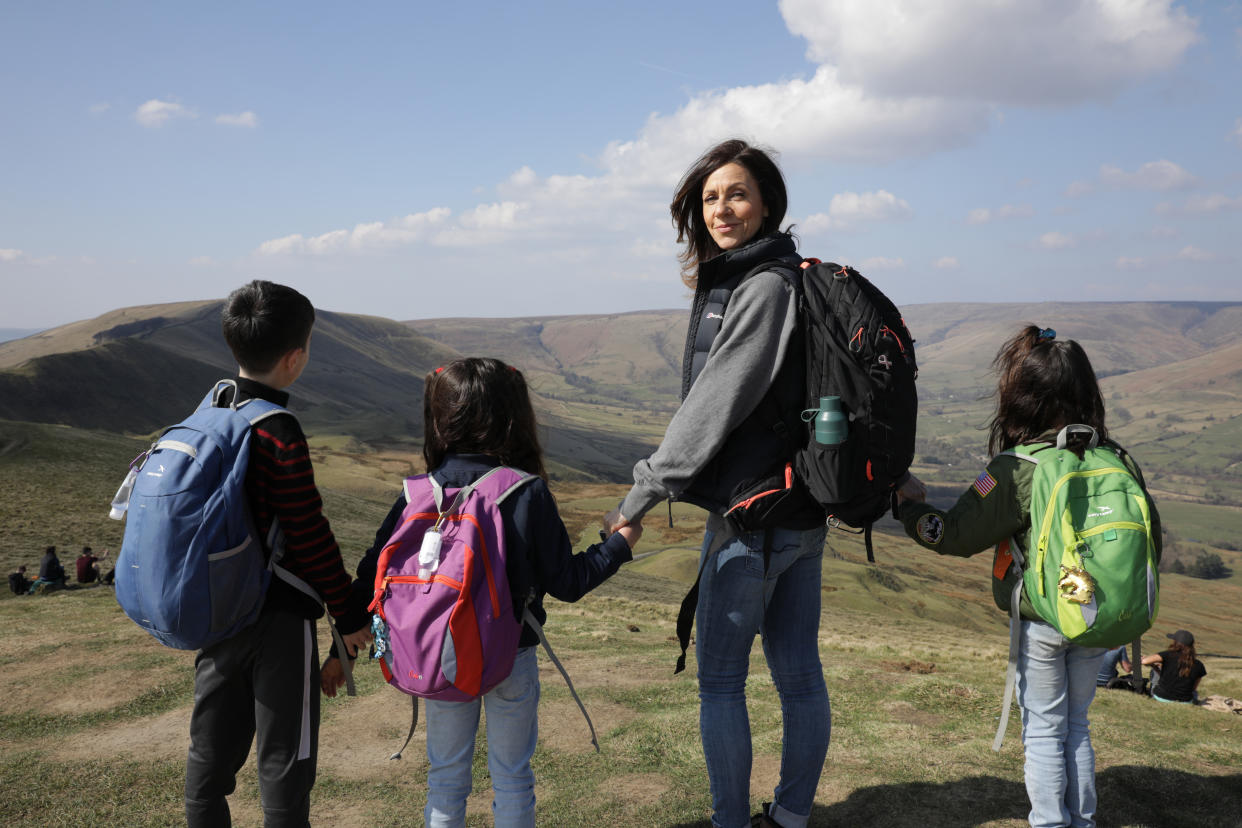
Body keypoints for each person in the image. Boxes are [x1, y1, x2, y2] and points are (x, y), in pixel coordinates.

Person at [603, 139, 834, 828]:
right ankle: (791, 816)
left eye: (736, 194)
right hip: (799, 515)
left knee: (723, 683)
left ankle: (734, 820)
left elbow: (713, 404)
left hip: (750, 519)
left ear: (767, 203)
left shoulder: (762, 287)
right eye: (709, 197)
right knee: (798, 677)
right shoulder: (781, 277)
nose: (722, 208)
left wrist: (639, 498)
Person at [323, 357, 640, 828]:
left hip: (440, 655)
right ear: (512, 416)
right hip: (511, 653)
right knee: (512, 778)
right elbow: (569, 583)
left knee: (446, 780)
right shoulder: (525, 491)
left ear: (440, 417)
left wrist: (338, 650)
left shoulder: (416, 493)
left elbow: (373, 576)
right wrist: (619, 544)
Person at [896, 325, 1160, 828]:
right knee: (1077, 727)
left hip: (1042, 622)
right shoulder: (1119, 460)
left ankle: (1049, 823)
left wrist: (909, 511)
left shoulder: (1016, 468)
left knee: (1043, 730)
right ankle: (1081, 822)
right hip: (1097, 617)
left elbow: (952, 535)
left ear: (1023, 399)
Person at [183, 280, 372, 828]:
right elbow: (308, 533)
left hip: (216, 614)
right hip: (278, 623)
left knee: (209, 755)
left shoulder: (211, 411)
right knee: (285, 763)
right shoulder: (277, 428)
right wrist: (349, 614)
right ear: (295, 358)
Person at [1142, 629, 1206, 704]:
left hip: (1161, 697)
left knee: (1154, 674)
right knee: (1195, 693)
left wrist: (1154, 665)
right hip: (1185, 701)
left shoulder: (1167, 655)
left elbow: (1145, 661)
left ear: (1176, 643)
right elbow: (1193, 688)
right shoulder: (1199, 665)